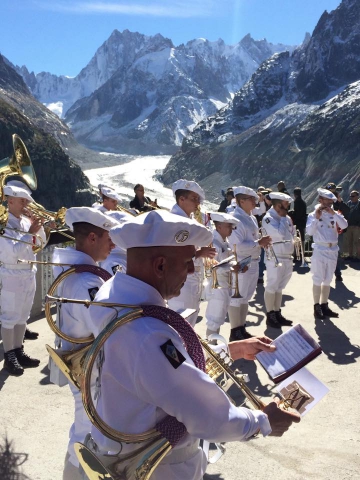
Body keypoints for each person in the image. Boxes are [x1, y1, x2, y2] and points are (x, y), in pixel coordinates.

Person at [84, 210, 300, 480]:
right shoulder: (149, 334)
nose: (191, 269)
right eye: (187, 261)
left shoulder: (112, 296)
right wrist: (264, 422)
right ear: (160, 266)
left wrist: (231, 350)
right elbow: (210, 417)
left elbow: (163, 369)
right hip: (164, 470)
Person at [50, 206, 118, 480]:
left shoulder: (77, 273)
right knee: (87, 435)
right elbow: (106, 328)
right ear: (92, 238)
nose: (112, 245)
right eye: (108, 238)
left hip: (86, 365)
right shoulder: (86, 282)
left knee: (83, 430)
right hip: (90, 369)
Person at [0, 181, 45, 376]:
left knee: (23, 315)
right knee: (10, 317)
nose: (26, 205)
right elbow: (11, 253)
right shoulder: (4, 224)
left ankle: (18, 350)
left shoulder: (26, 222)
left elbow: (40, 244)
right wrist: (30, 234)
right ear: (10, 202)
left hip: (28, 272)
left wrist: (39, 228)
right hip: (11, 273)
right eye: (22, 201)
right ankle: (9, 356)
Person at [167, 179, 216, 327]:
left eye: (198, 199)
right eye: (194, 199)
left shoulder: (189, 219)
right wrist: (199, 253)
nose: (197, 203)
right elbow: (172, 253)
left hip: (193, 279)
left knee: (190, 324)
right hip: (182, 282)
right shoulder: (174, 221)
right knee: (181, 326)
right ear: (181, 199)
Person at [228, 186, 272, 341]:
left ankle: (241, 328)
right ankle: (235, 331)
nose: (255, 201)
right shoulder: (235, 219)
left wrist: (260, 243)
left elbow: (253, 240)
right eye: (252, 199)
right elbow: (236, 246)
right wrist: (258, 243)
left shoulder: (251, 217)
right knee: (236, 297)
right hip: (242, 262)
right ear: (242, 201)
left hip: (253, 261)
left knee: (245, 297)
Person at [306, 188, 348, 320]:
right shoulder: (313, 215)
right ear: (320, 200)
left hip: (333, 250)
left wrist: (334, 213)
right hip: (320, 249)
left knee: (328, 279)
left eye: (331, 202)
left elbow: (344, 225)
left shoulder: (334, 213)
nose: (330, 204)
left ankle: (324, 305)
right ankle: (316, 306)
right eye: (327, 201)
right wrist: (317, 219)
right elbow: (310, 232)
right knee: (318, 278)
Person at [204, 212, 246, 339]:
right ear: (219, 227)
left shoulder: (224, 241)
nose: (231, 229)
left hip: (225, 284)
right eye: (229, 226)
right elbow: (212, 267)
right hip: (217, 286)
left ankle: (215, 349)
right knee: (214, 321)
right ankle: (211, 352)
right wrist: (232, 267)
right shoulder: (214, 242)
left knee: (219, 319)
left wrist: (238, 266)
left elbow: (227, 261)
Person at [262, 192, 295, 328]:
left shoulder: (286, 218)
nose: (288, 207)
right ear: (278, 205)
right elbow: (279, 234)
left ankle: (277, 312)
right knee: (272, 285)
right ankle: (270, 315)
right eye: (285, 204)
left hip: (286, 255)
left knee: (279, 287)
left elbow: (291, 233)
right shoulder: (269, 218)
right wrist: (281, 218)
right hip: (275, 256)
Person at [324, 182, 350, 280]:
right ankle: (326, 272)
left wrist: (340, 202)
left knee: (337, 252)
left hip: (337, 230)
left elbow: (347, 210)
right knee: (326, 251)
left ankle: (337, 272)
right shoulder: (324, 203)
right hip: (326, 231)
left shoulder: (338, 203)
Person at [291, 187, 307, 256]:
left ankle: (297, 254)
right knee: (302, 238)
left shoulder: (296, 202)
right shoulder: (303, 202)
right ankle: (302, 253)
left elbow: (297, 214)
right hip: (303, 223)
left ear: (295, 194)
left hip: (297, 223)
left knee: (297, 239)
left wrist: (291, 213)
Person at [345, 190, 360, 261]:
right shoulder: (348, 203)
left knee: (356, 242)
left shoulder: (359, 204)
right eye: (351, 196)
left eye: (353, 196)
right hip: (349, 225)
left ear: (357, 196)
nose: (351, 197)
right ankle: (350, 255)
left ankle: (358, 256)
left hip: (356, 226)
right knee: (349, 241)